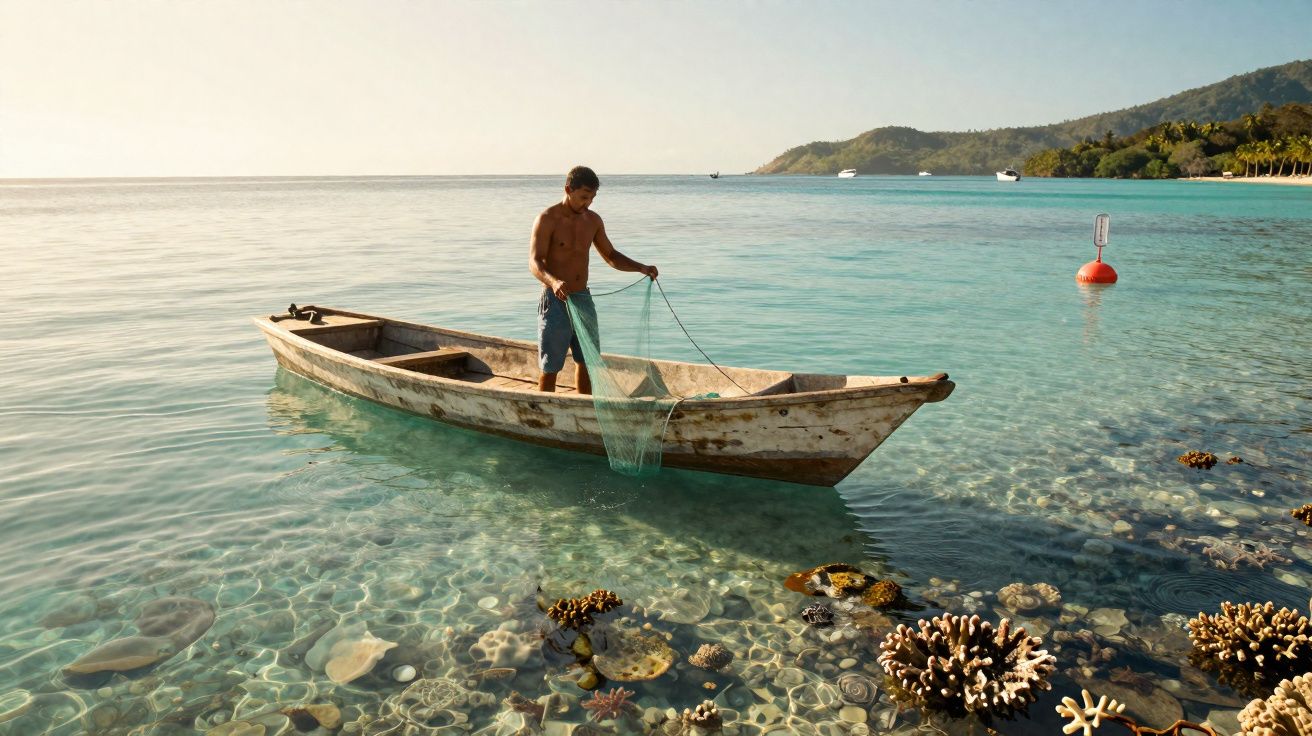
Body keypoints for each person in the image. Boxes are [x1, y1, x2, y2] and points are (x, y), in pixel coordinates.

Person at [529, 166, 658, 394]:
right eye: (584, 197)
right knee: (551, 367)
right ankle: (544, 407)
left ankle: (585, 406)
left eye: (592, 198)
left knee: (588, 361)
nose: (587, 203)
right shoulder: (547, 219)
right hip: (555, 300)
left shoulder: (593, 220)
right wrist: (554, 282)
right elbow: (535, 262)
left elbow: (611, 256)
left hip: (583, 299)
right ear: (568, 189)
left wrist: (641, 268)